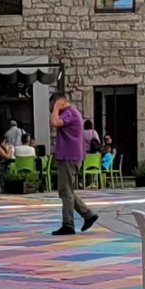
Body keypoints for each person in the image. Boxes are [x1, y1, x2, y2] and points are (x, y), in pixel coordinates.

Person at [50, 92, 99, 236]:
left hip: (69, 157)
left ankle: (68, 224)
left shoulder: (69, 113)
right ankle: (88, 215)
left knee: (66, 192)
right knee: (66, 190)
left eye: (52, 106)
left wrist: (57, 107)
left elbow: (54, 122)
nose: (52, 110)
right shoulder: (72, 112)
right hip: (70, 156)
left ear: (60, 102)